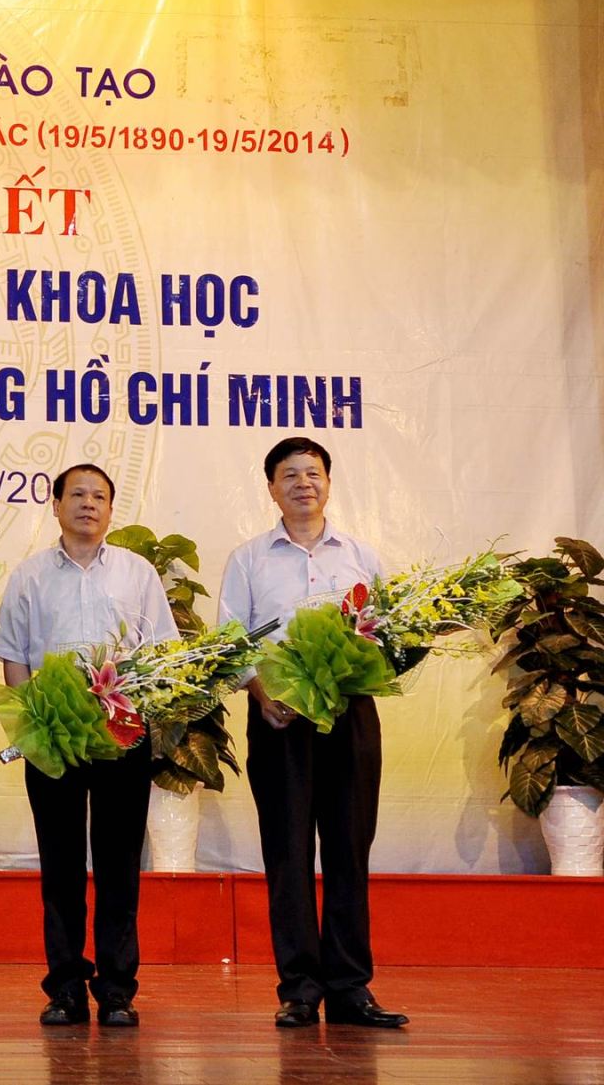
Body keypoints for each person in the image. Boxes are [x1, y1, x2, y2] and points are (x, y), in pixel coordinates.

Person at [218, 437, 409, 1029]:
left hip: (350, 715)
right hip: (280, 718)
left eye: (313, 473)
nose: (303, 483)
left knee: (350, 849)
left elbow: (389, 632)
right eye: (290, 475)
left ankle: (351, 987)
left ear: (328, 483)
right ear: (271, 489)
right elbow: (231, 640)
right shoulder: (249, 559)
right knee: (288, 851)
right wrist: (260, 693)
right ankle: (300, 988)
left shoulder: (361, 556)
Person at [0, 463, 176, 1028]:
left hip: (122, 735)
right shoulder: (29, 576)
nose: (88, 504)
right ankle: (66, 987)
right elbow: (13, 656)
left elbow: (161, 650)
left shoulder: (138, 572)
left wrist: (133, 709)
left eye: (99, 496)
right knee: (61, 865)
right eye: (77, 494)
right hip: (54, 740)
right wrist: (34, 726)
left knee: (120, 864)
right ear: (56, 505)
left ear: (111, 509)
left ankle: (117, 989)